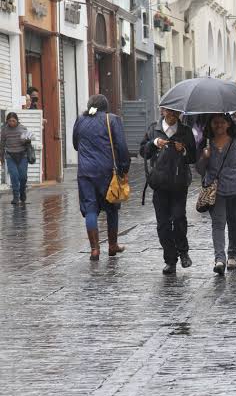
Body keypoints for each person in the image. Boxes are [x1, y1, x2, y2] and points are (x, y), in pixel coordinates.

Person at [197, 114, 236, 273]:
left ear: (228, 125)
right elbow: (200, 170)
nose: (218, 125)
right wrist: (205, 157)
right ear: (210, 125)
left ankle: (232, 255)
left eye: (222, 122)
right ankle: (219, 259)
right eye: (215, 123)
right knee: (218, 224)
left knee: (234, 222)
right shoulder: (206, 144)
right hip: (215, 191)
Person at [72, 95, 130, 261]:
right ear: (106, 106)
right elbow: (121, 146)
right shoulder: (112, 120)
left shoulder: (80, 120)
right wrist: (124, 167)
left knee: (90, 209)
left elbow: (76, 144)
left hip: (85, 172)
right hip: (107, 172)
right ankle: (112, 245)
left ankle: (94, 249)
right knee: (111, 207)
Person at [140, 108, 197, 275]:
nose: (172, 116)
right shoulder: (153, 129)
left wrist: (183, 150)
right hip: (159, 183)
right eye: (169, 112)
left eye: (175, 113)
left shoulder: (185, 131)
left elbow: (193, 156)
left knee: (179, 218)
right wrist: (153, 143)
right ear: (162, 111)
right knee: (163, 224)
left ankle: (183, 251)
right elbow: (143, 152)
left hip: (179, 184)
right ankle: (170, 260)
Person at [0, 112, 31, 205]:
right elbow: (2, 144)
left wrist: (26, 140)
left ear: (17, 120)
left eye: (13, 121)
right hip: (10, 156)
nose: (11, 123)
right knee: (14, 176)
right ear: (7, 121)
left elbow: (29, 141)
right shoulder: (4, 130)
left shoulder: (23, 128)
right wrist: (1, 156)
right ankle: (16, 197)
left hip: (23, 155)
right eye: (9, 121)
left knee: (22, 177)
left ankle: (22, 192)